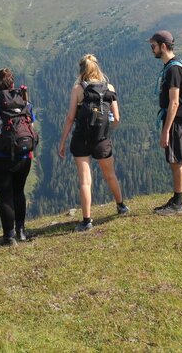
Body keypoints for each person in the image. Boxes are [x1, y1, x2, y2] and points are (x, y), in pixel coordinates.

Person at [57, 54, 129, 232]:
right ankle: (121, 206)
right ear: (97, 67)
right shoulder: (109, 87)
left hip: (81, 139)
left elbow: (70, 118)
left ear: (82, 70)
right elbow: (117, 119)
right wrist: (105, 130)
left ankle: (87, 220)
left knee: (85, 181)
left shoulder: (78, 89)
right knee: (110, 175)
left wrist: (63, 141)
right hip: (101, 140)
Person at [0, 68, 37, 245]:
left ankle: (9, 236)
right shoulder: (26, 104)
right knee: (18, 192)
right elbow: (31, 130)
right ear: (13, 84)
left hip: (0, 157)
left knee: (5, 197)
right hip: (23, 155)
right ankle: (21, 231)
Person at [150, 30, 182, 215]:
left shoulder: (173, 69)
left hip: (176, 121)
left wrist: (166, 130)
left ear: (163, 46)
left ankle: (178, 204)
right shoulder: (173, 66)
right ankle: (176, 199)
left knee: (177, 160)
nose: (152, 50)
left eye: (154, 46)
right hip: (176, 120)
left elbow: (174, 101)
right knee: (175, 160)